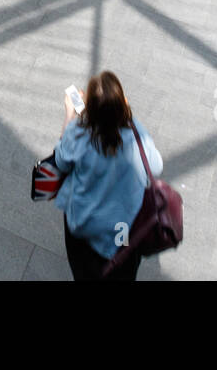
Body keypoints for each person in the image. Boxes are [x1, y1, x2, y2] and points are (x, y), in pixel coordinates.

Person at [51, 71, 162, 281]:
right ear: (123, 105)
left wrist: (70, 114)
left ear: (90, 109)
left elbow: (60, 161)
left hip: (85, 227)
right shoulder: (136, 132)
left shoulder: (78, 132)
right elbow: (155, 167)